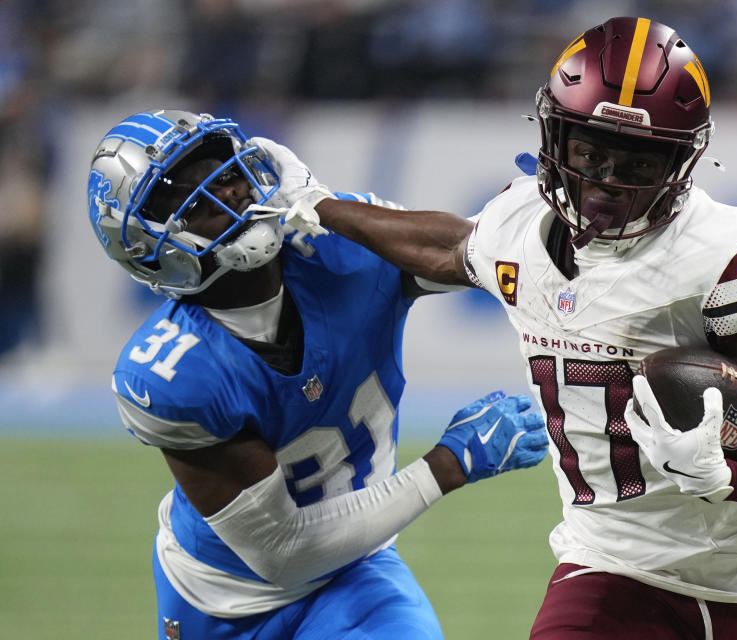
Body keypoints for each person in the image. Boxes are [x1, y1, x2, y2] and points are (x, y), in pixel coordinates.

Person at [260, 17, 737, 639]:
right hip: (607, 561)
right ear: (555, 136)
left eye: (637, 163)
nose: (605, 182)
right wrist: (316, 204)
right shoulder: (517, 226)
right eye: (590, 152)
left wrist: (727, 479)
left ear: (681, 162)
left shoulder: (720, 256)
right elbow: (445, 247)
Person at [86, 108, 549, 640]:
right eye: (185, 195)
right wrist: (449, 464)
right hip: (223, 600)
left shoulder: (340, 248)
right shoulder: (175, 370)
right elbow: (281, 552)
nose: (228, 192)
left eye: (225, 170)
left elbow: (477, 252)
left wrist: (325, 206)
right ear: (148, 247)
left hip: (356, 575)